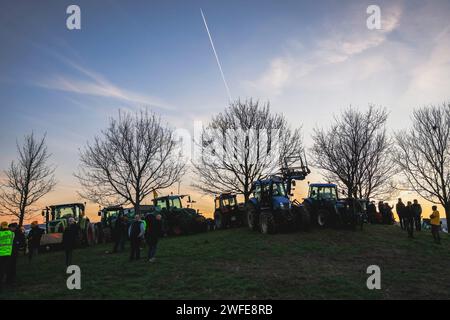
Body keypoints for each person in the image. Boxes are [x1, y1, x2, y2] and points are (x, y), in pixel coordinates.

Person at [0, 221, 14, 291]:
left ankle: (1, 282)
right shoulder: (12, 233)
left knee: (1, 268)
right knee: (7, 267)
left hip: (1, 253)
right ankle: (7, 281)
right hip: (8, 253)